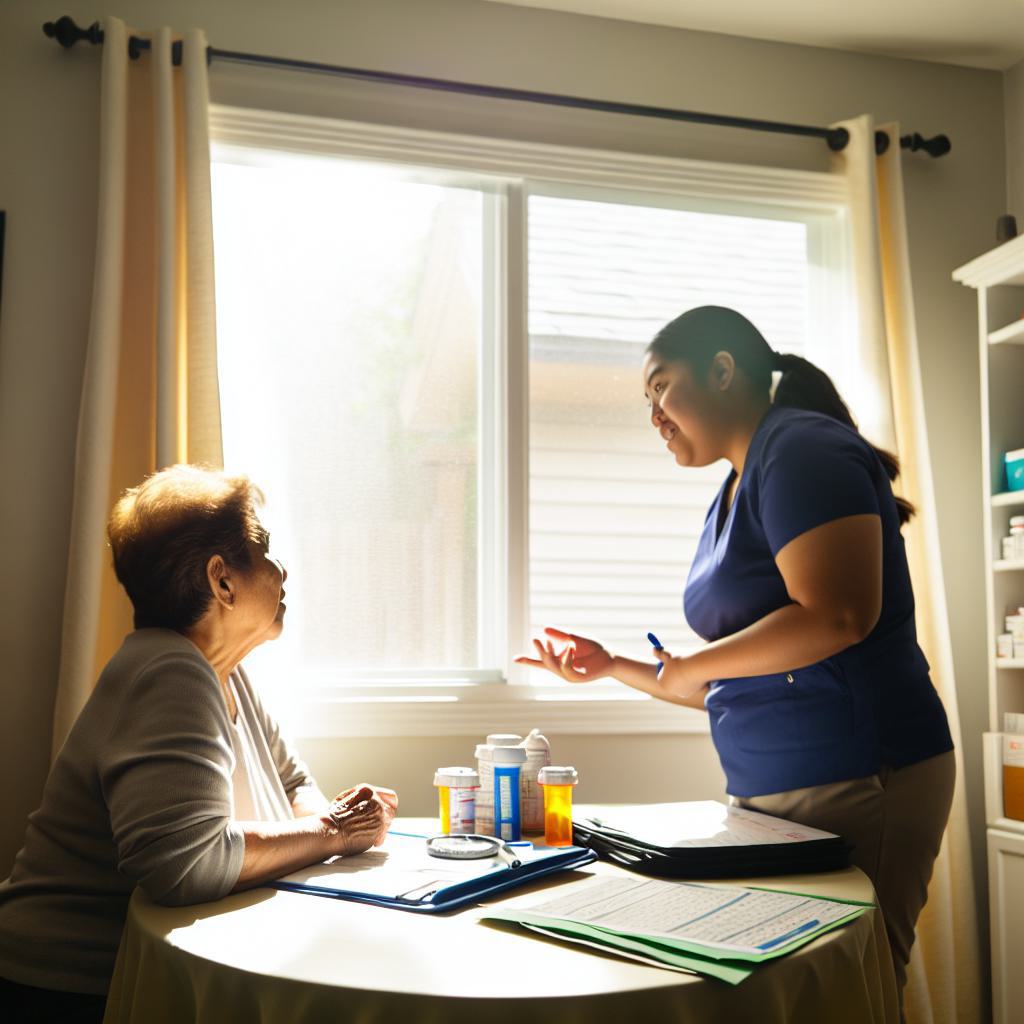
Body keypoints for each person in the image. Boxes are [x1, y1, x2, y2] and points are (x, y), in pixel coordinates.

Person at [517, 305, 955, 1008]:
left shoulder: (801, 449)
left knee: (852, 991)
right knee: (794, 996)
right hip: (773, 789)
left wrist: (694, 664)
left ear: (723, 370)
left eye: (661, 386)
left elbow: (840, 615)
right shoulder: (734, 487)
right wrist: (614, 665)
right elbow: (735, 677)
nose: (654, 416)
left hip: (862, 772)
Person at [0, 465, 398, 1023]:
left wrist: (341, 820)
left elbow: (292, 783)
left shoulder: (223, 671)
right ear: (222, 581)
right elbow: (185, 866)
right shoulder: (170, 673)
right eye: (265, 550)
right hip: (67, 990)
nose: (282, 570)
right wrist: (334, 831)